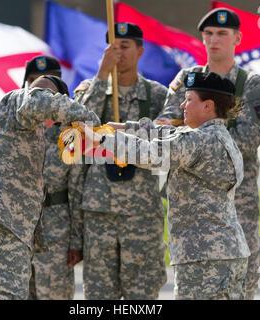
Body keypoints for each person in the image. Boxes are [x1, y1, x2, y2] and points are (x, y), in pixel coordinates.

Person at [84, 71, 250, 299]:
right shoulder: (216, 136)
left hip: (204, 258)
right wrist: (118, 128)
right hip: (222, 252)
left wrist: (101, 140)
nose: (182, 105)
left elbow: (152, 153)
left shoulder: (199, 141)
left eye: (189, 99)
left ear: (208, 106)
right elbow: (166, 133)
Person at [155, 8, 260, 299]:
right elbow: (164, 127)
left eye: (222, 33)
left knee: (239, 287)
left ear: (238, 38)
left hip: (235, 205)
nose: (214, 40)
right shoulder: (187, 80)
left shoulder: (253, 85)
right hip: (190, 206)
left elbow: (246, 140)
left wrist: (189, 139)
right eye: (208, 34)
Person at [0, 75, 99, 300]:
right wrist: (89, 120)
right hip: (4, 230)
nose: (51, 126)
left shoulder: (1, 127)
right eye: (56, 121)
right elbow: (39, 100)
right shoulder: (21, 100)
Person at [72, 23, 168, 299]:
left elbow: (167, 137)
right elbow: (77, 129)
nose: (118, 52)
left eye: (125, 46)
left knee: (143, 291)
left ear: (140, 51)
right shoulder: (90, 90)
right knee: (100, 293)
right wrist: (102, 75)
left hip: (141, 211)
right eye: (113, 47)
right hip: (99, 209)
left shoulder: (157, 95)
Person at [22, 56, 82, 300]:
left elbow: (77, 189)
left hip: (55, 232)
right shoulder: (17, 128)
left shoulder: (70, 133)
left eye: (48, 85)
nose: (41, 92)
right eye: (34, 83)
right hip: (20, 228)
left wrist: (76, 240)